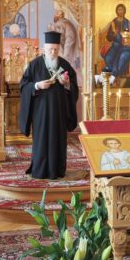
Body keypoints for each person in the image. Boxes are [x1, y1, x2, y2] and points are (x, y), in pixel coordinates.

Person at [19, 31, 79, 179]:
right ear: (44, 49)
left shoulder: (64, 65)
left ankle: (57, 170)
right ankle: (40, 170)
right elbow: (24, 85)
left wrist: (67, 84)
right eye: (50, 49)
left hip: (59, 111)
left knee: (58, 140)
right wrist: (37, 85)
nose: (53, 52)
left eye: (56, 49)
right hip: (40, 112)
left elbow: (73, 86)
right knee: (41, 140)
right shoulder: (35, 64)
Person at [102, 3, 130, 80]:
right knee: (108, 58)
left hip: (126, 47)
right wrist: (114, 35)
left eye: (122, 10)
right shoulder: (113, 23)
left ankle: (115, 75)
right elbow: (108, 37)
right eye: (119, 10)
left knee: (123, 56)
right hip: (115, 46)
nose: (120, 11)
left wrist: (128, 41)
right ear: (116, 11)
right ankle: (114, 75)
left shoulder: (127, 23)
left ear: (124, 11)